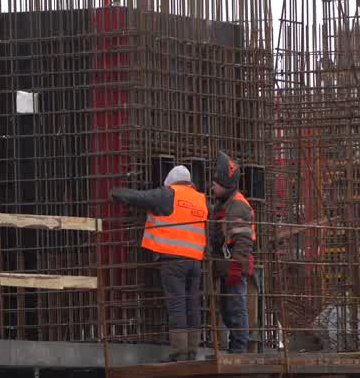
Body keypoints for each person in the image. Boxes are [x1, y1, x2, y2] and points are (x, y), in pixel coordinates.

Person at [110, 165, 208, 360]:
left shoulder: (168, 194)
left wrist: (116, 193)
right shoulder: (200, 199)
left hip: (173, 261)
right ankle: (192, 349)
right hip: (195, 261)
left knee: (177, 302)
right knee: (192, 303)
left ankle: (180, 350)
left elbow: (141, 198)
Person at [207, 151, 256, 353]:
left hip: (235, 267)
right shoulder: (224, 204)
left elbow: (243, 241)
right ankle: (236, 346)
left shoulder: (237, 207)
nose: (212, 185)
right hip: (227, 266)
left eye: (215, 182)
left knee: (236, 308)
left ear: (225, 183)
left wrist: (236, 266)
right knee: (228, 310)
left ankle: (239, 349)